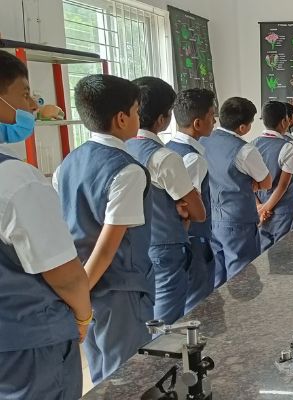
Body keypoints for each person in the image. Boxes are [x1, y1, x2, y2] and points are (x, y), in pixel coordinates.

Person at [0, 50, 91, 399]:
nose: (31, 106)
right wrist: (82, 317)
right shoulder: (16, 180)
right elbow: (65, 275)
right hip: (28, 343)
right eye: (24, 94)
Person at [53, 74, 154, 384]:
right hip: (118, 288)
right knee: (126, 373)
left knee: (102, 368)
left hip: (83, 281)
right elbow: (108, 246)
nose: (138, 118)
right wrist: (80, 295)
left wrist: (78, 295)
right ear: (122, 118)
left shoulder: (69, 162)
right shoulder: (127, 170)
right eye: (136, 111)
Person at [128, 77, 205, 324]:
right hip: (165, 246)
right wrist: (182, 204)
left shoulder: (121, 150)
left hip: (131, 247)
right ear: (162, 119)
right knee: (165, 319)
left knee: (142, 316)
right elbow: (198, 212)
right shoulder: (164, 157)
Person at [201, 97, 272, 287]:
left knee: (217, 274)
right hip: (237, 220)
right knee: (241, 275)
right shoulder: (245, 150)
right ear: (243, 127)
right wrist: (250, 184)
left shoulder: (203, 140)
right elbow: (266, 181)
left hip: (210, 216)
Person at [166, 88, 217, 312]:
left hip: (176, 238)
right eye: (211, 115)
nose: (214, 120)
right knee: (198, 302)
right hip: (194, 239)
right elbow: (188, 205)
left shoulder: (168, 149)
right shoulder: (193, 158)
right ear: (197, 123)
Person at [253, 101, 293, 250]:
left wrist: (260, 207)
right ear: (284, 121)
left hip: (262, 212)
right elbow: (284, 185)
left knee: (264, 255)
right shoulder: (288, 146)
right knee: (287, 256)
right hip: (285, 211)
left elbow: (249, 182)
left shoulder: (252, 145)